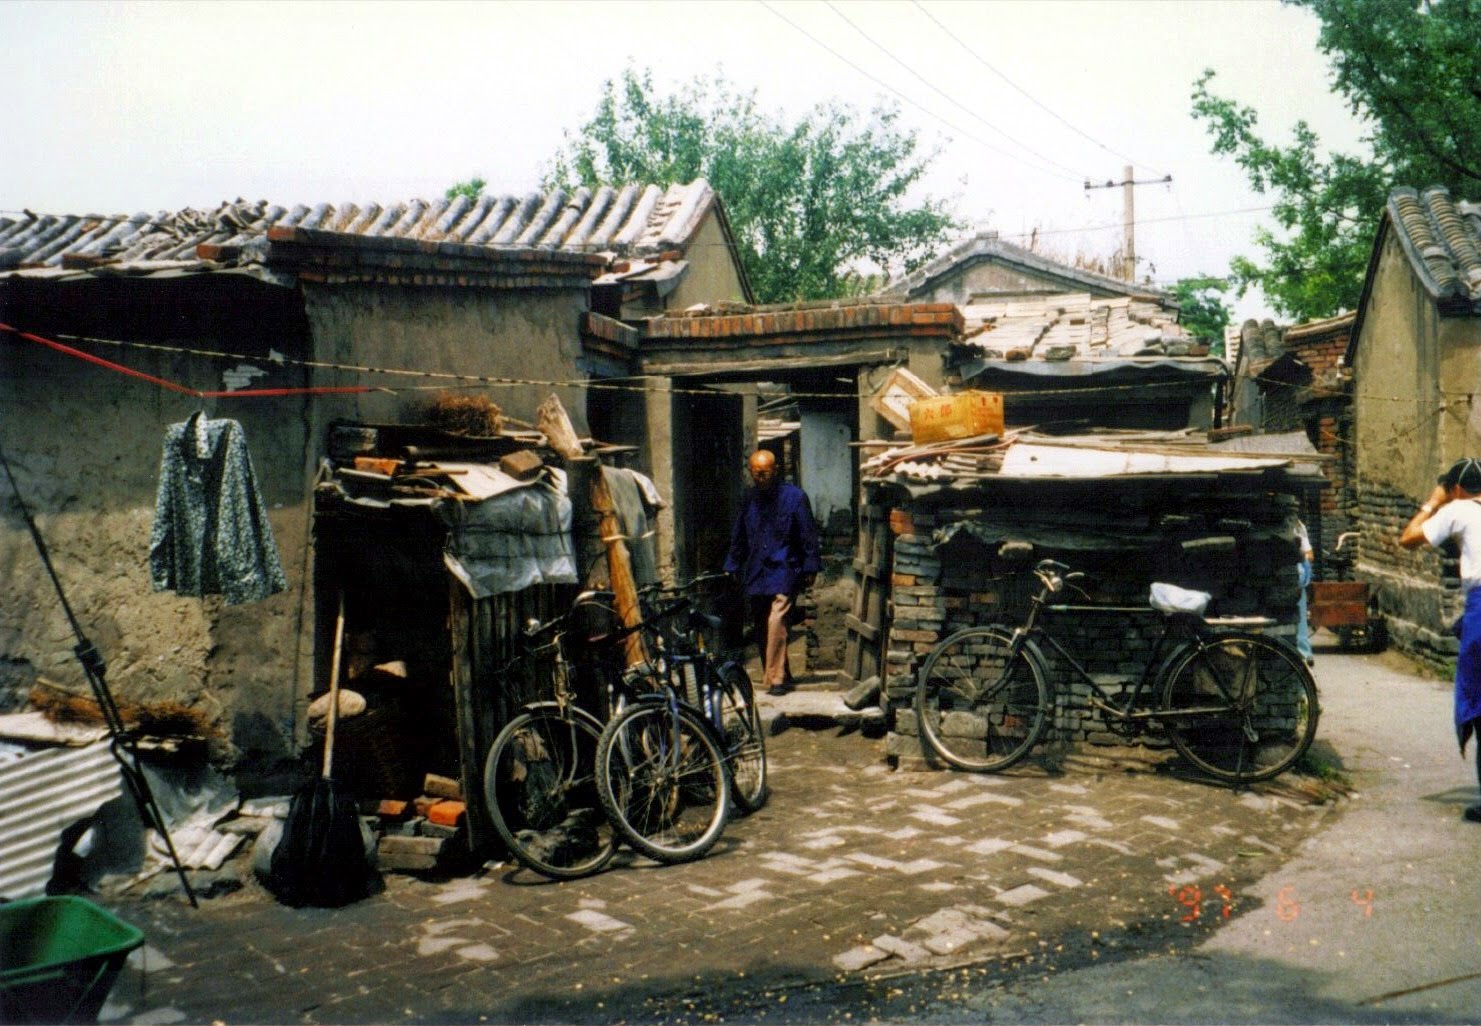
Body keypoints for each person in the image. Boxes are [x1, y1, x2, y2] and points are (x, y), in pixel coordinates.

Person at [1400, 456, 1481, 824]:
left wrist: (1433, 503)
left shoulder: (1460, 508)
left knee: (1476, 698)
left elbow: (1409, 539)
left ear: (1458, 488)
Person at [724, 449, 822, 696]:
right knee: (761, 625)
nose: (760, 479)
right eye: (756, 474)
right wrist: (732, 565)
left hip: (785, 568)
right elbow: (738, 536)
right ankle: (783, 671)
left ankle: (776, 679)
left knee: (776, 620)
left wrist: (810, 566)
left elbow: (808, 534)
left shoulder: (795, 497)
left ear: (775, 470)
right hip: (757, 570)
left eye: (765, 474)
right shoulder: (748, 499)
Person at [1294, 519, 1315, 666]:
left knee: (1300, 614)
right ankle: (1302, 651)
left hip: (1298, 571)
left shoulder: (1298, 527)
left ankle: (1304, 652)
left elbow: (1310, 554)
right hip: (1294, 571)